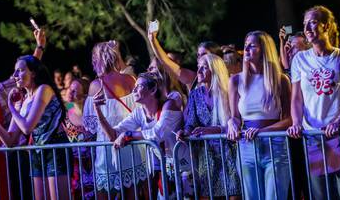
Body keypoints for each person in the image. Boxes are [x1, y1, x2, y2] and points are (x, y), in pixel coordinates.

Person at [287, 6, 340, 199]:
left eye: (312, 22)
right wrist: (296, 123)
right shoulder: (299, 59)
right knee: (321, 194)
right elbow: (296, 98)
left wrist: (337, 123)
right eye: (305, 24)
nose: (307, 29)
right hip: (313, 137)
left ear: (326, 25)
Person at [93, 72, 186, 199]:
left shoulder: (169, 105)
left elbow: (157, 134)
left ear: (153, 89)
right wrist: (97, 111)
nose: (134, 89)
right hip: (168, 170)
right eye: (134, 86)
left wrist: (128, 134)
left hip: (186, 167)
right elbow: (114, 135)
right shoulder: (139, 113)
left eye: (139, 86)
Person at [227, 30, 291, 200]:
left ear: (264, 49)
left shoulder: (281, 80)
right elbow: (234, 116)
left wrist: (264, 131)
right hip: (247, 147)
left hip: (275, 145)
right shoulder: (235, 80)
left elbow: (289, 119)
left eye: (252, 45)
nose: (246, 49)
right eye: (245, 45)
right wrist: (231, 123)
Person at [0, 55, 71, 200]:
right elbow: (10, 141)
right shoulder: (24, 100)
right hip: (37, 152)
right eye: (15, 71)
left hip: (55, 148)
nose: (15, 75)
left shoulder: (44, 89)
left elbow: (27, 128)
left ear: (33, 73)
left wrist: (12, 107)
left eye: (20, 70)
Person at [83, 40, 146, 199]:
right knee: (131, 193)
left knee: (104, 194)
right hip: (130, 145)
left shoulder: (96, 85)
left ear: (98, 60)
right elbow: (140, 112)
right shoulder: (130, 80)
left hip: (107, 150)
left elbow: (90, 125)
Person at [177, 53, 241, 198]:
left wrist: (210, 130)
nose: (198, 71)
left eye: (204, 68)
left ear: (215, 70)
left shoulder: (227, 92)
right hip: (206, 154)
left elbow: (236, 122)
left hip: (229, 151)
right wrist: (184, 132)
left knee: (234, 193)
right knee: (208, 194)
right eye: (198, 67)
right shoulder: (195, 94)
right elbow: (191, 122)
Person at [148, 22, 223, 89]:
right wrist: (153, 40)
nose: (199, 59)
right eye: (198, 55)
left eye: (203, 55)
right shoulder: (194, 79)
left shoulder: (227, 82)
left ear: (216, 58)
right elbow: (166, 62)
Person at [64, 78, 96, 199]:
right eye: (70, 90)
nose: (70, 93)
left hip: (95, 165)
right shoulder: (65, 115)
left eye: (75, 91)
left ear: (85, 95)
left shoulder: (94, 114)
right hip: (76, 169)